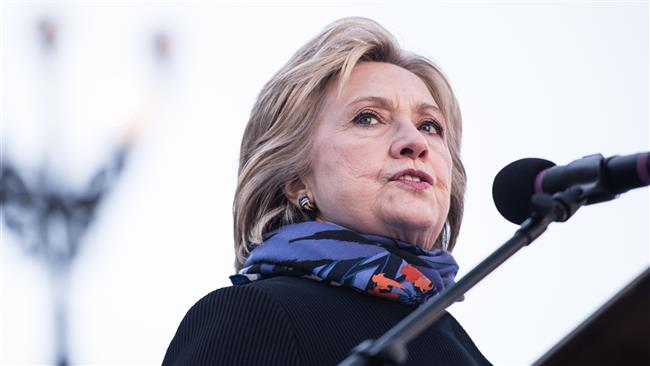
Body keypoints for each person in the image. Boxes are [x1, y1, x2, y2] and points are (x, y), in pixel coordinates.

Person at [163, 17, 491, 366]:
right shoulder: (255, 313)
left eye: (430, 126)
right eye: (368, 118)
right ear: (296, 180)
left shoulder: (455, 340)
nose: (415, 142)